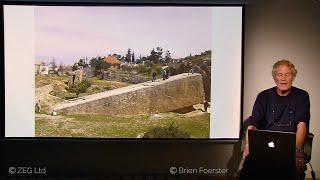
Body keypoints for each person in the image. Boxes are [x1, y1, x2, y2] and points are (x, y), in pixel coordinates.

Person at [240, 60, 310, 179]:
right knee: (249, 167)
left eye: (287, 74)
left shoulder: (301, 96)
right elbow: (252, 125)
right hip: (265, 146)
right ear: (275, 77)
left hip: (289, 148)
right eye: (280, 74)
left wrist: (297, 152)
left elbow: (302, 125)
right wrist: (248, 145)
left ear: (293, 76)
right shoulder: (263, 96)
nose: (283, 78)